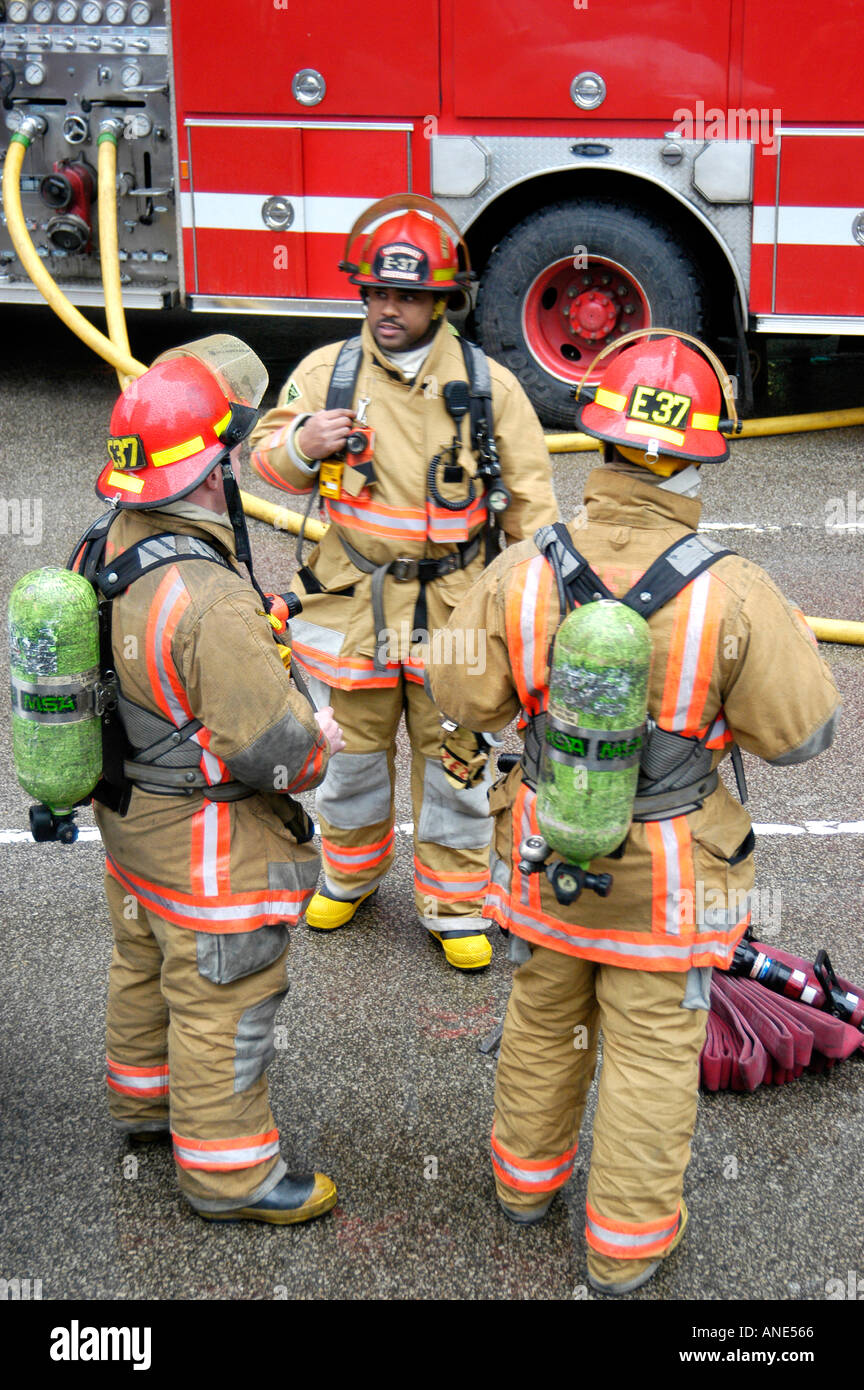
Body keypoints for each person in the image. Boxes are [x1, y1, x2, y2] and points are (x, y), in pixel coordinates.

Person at [426, 330, 841, 1291]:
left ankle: (525, 1187)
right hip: (669, 877)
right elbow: (802, 736)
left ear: (602, 438)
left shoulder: (524, 568)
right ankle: (625, 1248)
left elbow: (460, 699)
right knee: (654, 1053)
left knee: (540, 1017)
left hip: (544, 855)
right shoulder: (732, 588)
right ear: (698, 454)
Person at [248, 195, 558, 971]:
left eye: (409, 296)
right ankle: (348, 876)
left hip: (458, 608)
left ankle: (454, 905)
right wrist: (299, 443)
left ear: (441, 301)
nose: (390, 308)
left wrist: (533, 616)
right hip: (350, 603)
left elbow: (530, 509)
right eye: (379, 293)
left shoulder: (491, 389)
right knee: (350, 754)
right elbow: (263, 455)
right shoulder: (328, 373)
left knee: (459, 758)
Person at [81, 336, 344, 1224]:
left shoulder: (102, 547)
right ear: (209, 465)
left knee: (143, 966)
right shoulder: (209, 597)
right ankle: (231, 1176)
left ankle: (143, 1103)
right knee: (222, 1003)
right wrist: (321, 736)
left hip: (129, 831)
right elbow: (280, 755)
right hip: (207, 853)